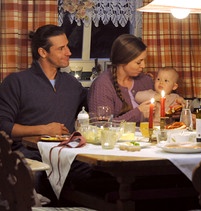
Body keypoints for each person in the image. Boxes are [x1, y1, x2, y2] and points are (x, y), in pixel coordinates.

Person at [0, 24, 87, 204]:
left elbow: (94, 113)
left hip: (67, 155)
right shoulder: (16, 82)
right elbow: (4, 127)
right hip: (29, 153)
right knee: (31, 174)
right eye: (61, 48)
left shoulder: (73, 85)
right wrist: (45, 129)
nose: (69, 52)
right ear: (43, 52)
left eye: (67, 46)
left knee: (99, 173)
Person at [88, 34, 154, 122]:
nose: (143, 66)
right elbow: (102, 126)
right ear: (123, 61)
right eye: (138, 62)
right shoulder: (103, 86)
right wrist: (138, 112)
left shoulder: (145, 80)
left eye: (144, 60)